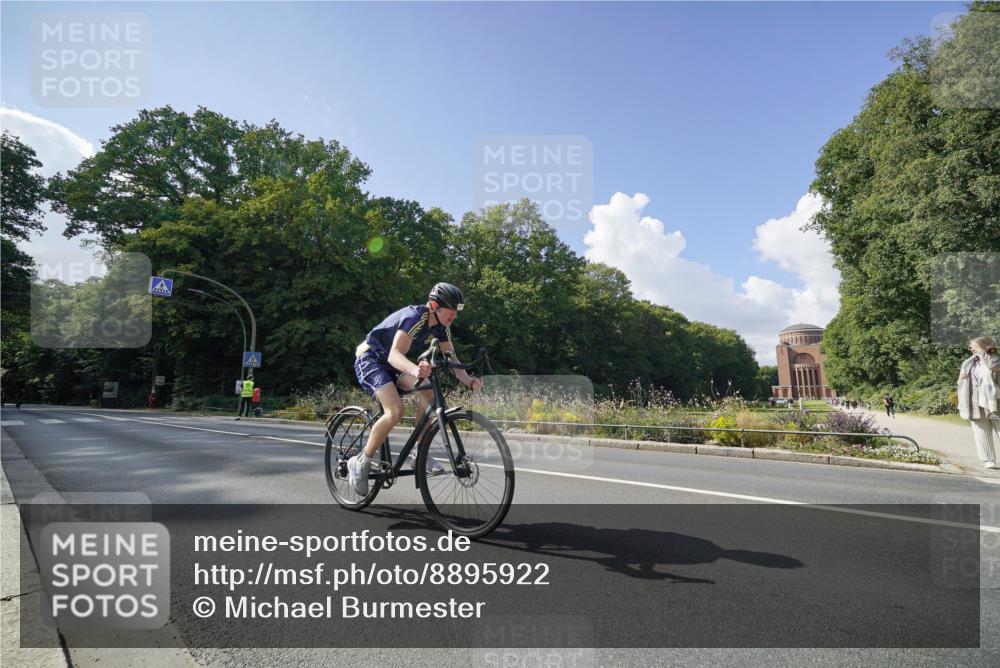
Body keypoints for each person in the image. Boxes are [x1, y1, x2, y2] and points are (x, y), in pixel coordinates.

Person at [348, 283, 483, 495]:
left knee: (428, 389)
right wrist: (414, 369)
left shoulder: (441, 328)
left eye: (457, 311)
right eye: (451, 310)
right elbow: (394, 355)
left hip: (393, 365)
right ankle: (360, 461)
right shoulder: (414, 317)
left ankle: (420, 453)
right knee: (395, 411)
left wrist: (468, 380)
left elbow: (452, 359)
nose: (455, 315)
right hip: (371, 360)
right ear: (435, 305)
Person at [957, 335, 1000, 470]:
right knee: (981, 431)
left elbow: (992, 367)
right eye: (970, 347)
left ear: (985, 346)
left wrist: (982, 355)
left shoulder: (996, 360)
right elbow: (960, 383)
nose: (971, 349)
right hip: (976, 402)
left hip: (996, 401)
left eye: (974, 346)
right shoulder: (968, 363)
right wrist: (962, 378)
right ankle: (989, 460)